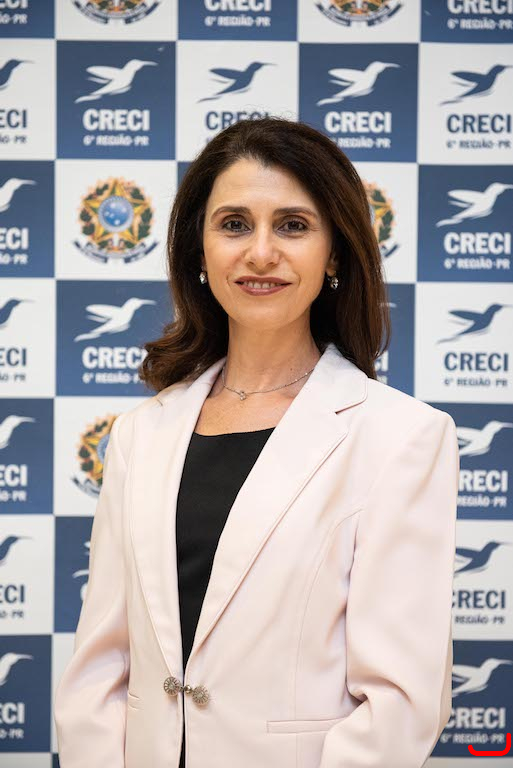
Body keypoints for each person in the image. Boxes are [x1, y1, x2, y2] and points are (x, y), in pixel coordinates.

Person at [54, 116, 459, 768]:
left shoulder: (400, 438)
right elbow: (99, 672)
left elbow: (399, 704)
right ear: (199, 249)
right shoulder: (139, 435)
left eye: (292, 226)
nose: (261, 252)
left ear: (334, 253)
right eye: (234, 224)